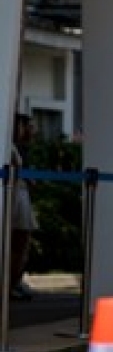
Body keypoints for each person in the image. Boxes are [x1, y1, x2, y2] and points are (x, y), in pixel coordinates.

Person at [9, 113, 38, 300]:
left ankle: (15, 280)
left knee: (21, 242)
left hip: (20, 194)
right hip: (16, 194)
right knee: (19, 241)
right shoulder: (10, 148)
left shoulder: (21, 148)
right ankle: (11, 281)